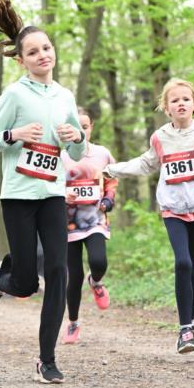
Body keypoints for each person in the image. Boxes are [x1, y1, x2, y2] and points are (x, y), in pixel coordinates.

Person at [0, 0, 85, 384]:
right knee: (26, 283)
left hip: (53, 193)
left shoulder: (65, 96)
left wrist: (77, 138)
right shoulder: (15, 95)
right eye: (34, 52)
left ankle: (47, 359)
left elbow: (77, 150)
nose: (43, 55)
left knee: (58, 271)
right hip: (19, 195)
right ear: (21, 60)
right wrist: (15, 134)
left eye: (47, 48)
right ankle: (0, 280)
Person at [104, 78, 194, 353]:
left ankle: (191, 318)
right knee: (182, 262)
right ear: (166, 108)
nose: (181, 104)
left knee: (193, 267)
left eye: (186, 99)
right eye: (175, 100)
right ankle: (185, 330)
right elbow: (146, 163)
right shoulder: (160, 138)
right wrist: (113, 169)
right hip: (172, 210)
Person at [61, 108, 118, 344]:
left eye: (84, 126)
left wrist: (109, 199)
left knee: (98, 262)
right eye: (76, 127)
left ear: (91, 127)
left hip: (95, 219)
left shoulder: (102, 154)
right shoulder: (60, 156)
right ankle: (73, 323)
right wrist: (63, 195)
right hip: (68, 223)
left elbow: (112, 179)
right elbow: (49, 185)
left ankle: (95, 281)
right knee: (73, 277)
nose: (81, 131)